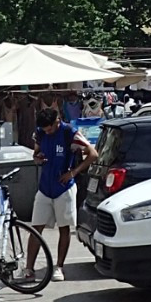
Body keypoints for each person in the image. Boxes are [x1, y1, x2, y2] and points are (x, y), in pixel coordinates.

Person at [27, 105, 92, 279]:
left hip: (64, 187)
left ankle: (59, 267)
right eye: (44, 130)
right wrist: (37, 158)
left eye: (49, 129)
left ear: (57, 121)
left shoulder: (69, 133)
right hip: (44, 187)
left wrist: (73, 173)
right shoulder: (40, 133)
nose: (47, 133)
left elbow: (93, 154)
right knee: (36, 228)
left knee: (64, 228)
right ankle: (28, 268)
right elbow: (36, 153)